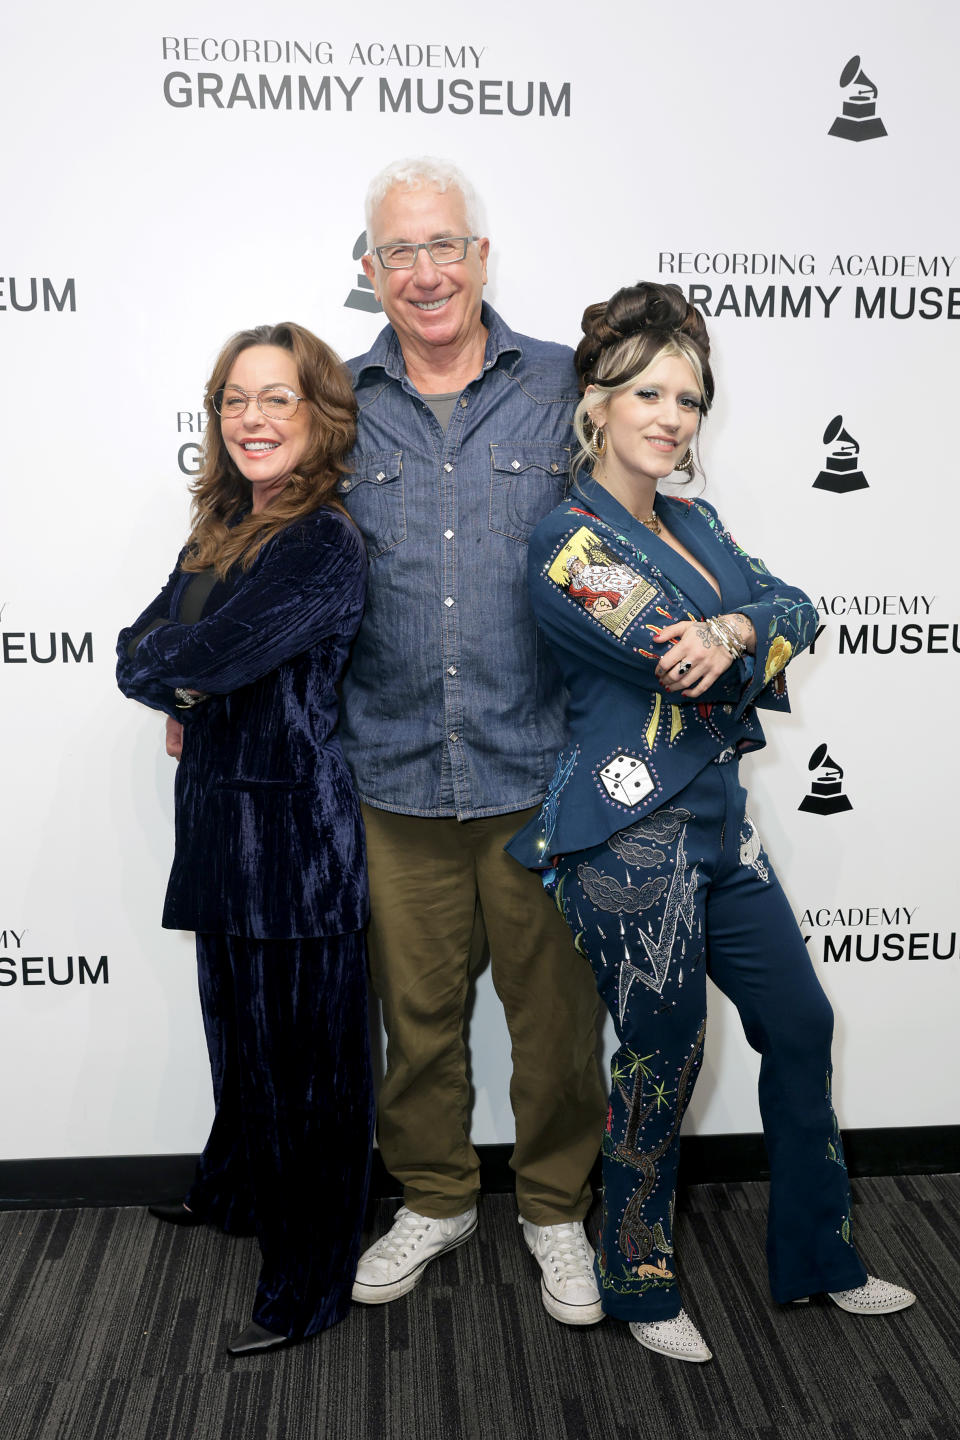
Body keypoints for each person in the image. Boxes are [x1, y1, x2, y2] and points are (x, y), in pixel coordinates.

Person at [507, 282, 916, 1362]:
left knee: (802, 1025)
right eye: (648, 391)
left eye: (689, 398)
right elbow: (679, 669)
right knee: (661, 1055)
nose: (672, 417)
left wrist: (737, 622)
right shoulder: (566, 543)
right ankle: (637, 1279)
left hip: (721, 834)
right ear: (596, 403)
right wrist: (742, 640)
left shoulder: (699, 522)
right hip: (626, 840)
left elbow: (796, 610)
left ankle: (821, 1256)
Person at [338, 158, 608, 1324]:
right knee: (417, 1024)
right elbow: (269, 550)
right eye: (399, 252)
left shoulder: (565, 387)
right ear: (369, 272)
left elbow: (641, 527)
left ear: (482, 257)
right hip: (392, 776)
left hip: (540, 774)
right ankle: (437, 1195)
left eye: (444, 245)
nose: (426, 271)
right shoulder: (336, 403)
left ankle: (555, 1212)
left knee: (554, 1032)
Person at [116, 322, 373, 1356]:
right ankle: (236, 1195)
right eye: (235, 399)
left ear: (318, 417)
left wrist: (184, 671)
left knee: (306, 1079)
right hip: (223, 828)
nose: (253, 419)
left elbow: (206, 658)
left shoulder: (322, 542)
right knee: (240, 1046)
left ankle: (306, 1288)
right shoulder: (220, 528)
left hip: (297, 851)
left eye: (277, 399)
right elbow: (138, 652)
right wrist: (177, 668)